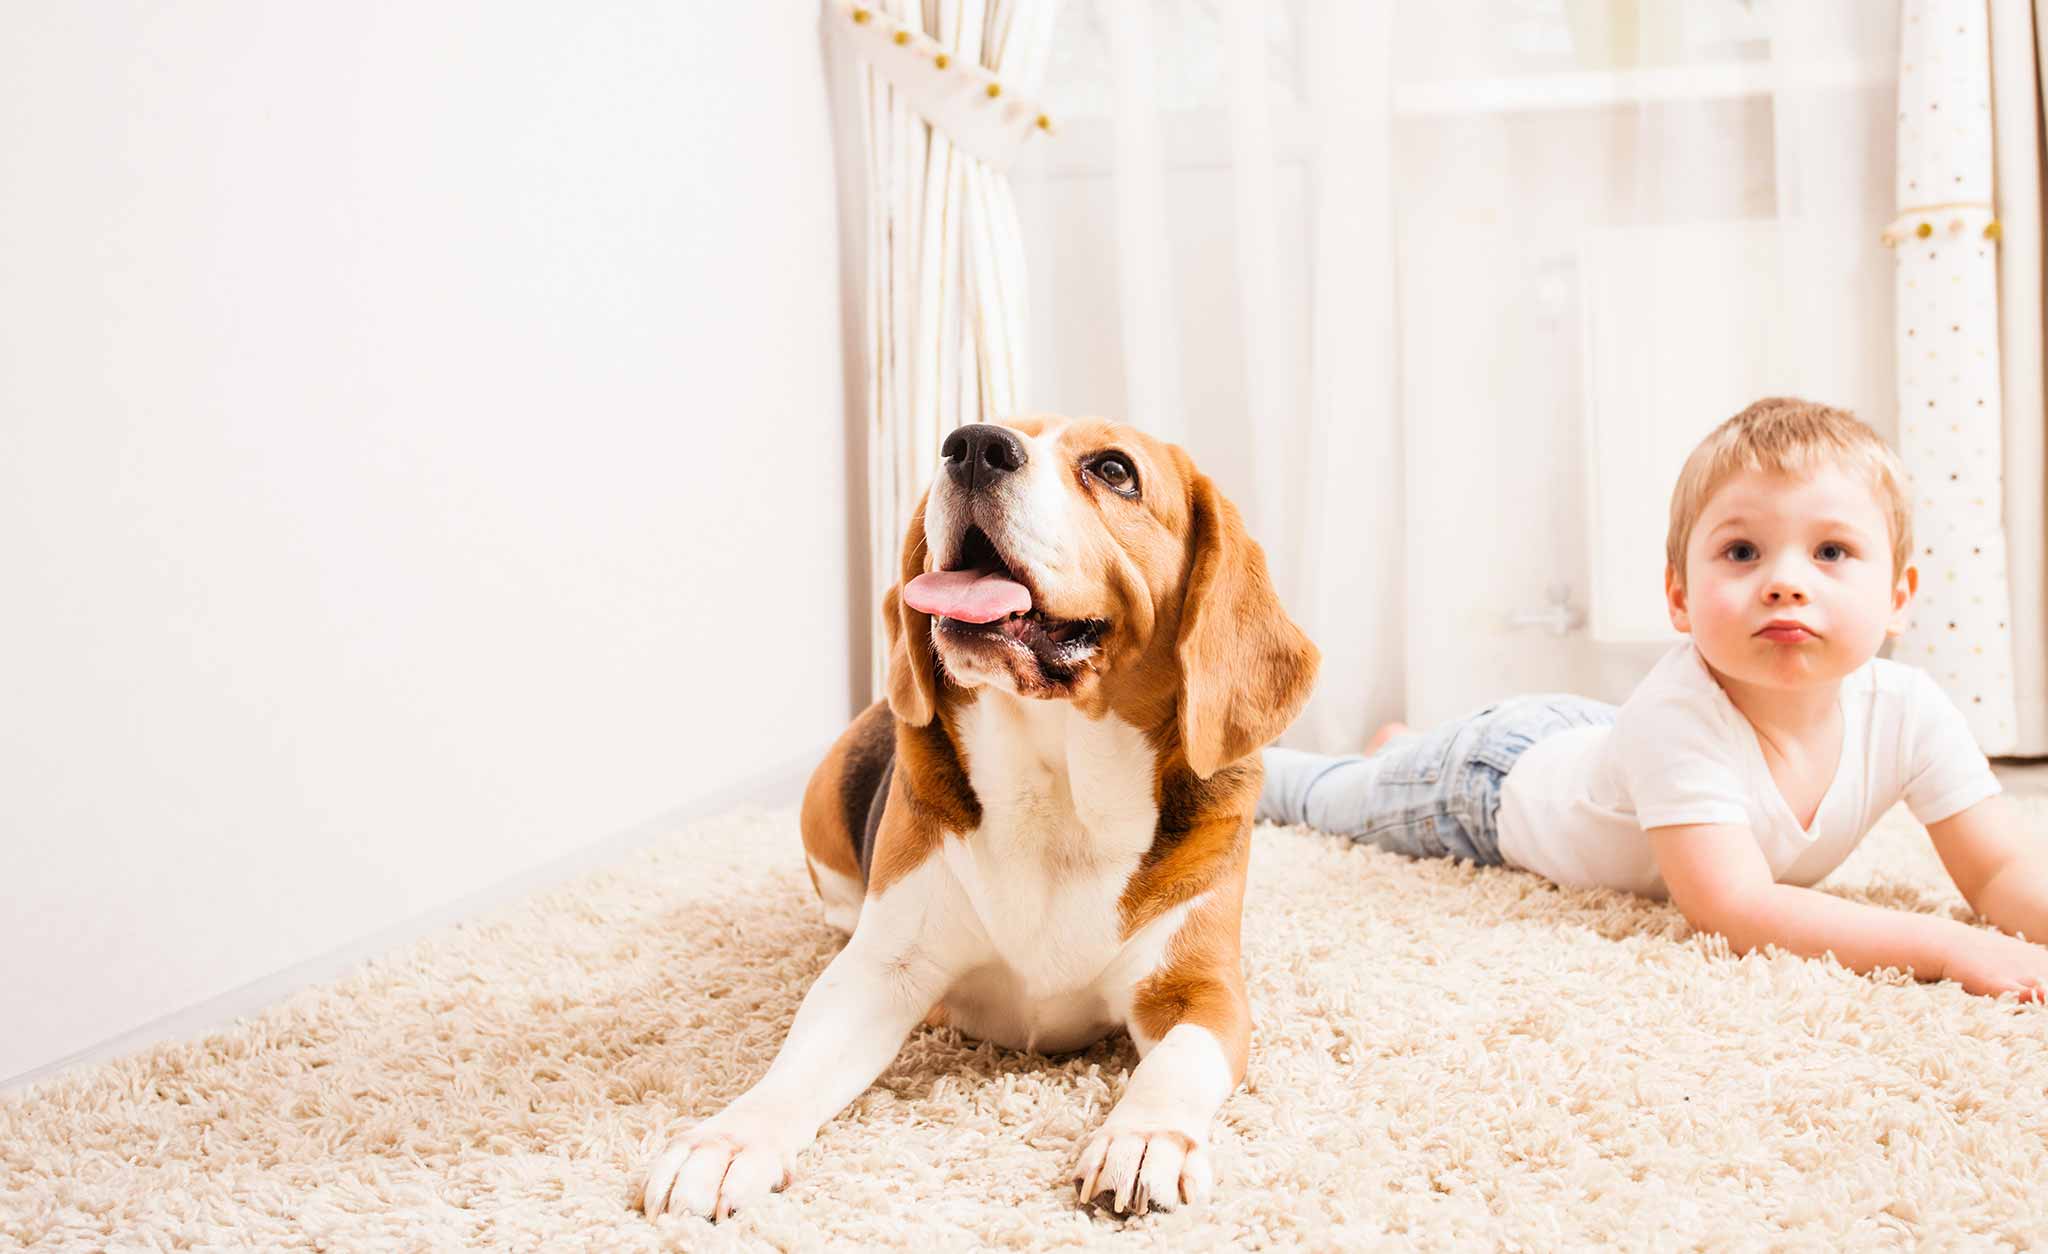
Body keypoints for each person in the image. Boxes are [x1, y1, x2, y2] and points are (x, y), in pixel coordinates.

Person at [1260, 397, 2048, 998]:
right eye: (1742, 551)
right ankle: (1318, 761)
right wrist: (1948, 949)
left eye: (1832, 551)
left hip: (1601, 743)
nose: (1784, 580)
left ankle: (1399, 744)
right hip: (1489, 782)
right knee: (1333, 799)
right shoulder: (1675, 713)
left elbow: (1997, 868)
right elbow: (1735, 907)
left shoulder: (1911, 710)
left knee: (1604, 756)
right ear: (1679, 598)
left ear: (1900, 596)